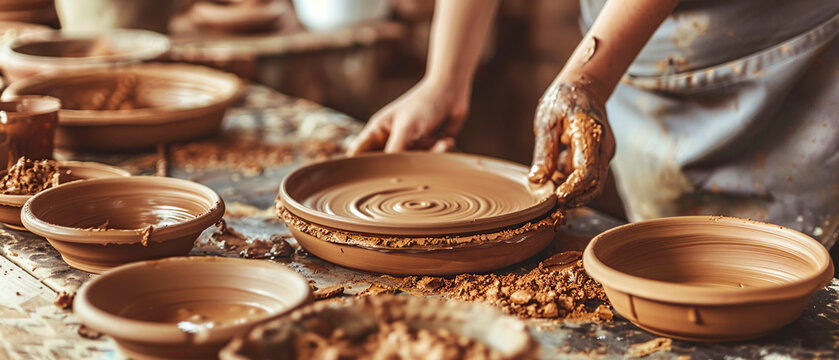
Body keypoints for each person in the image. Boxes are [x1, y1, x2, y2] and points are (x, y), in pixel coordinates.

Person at [347, 0, 839, 251]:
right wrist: (445, 77)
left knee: (806, 278)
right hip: (631, 48)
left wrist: (586, 79)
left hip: (785, 61)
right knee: (680, 261)